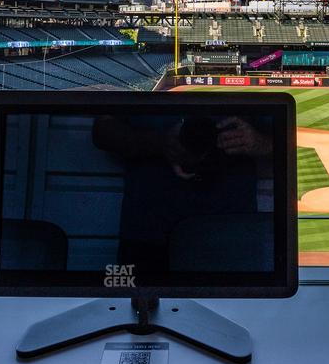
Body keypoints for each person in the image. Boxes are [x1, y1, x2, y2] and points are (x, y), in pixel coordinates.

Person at [93, 114, 271, 275]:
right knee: (129, 304)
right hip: (146, 231)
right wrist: (159, 143)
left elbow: (291, 136)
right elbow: (101, 132)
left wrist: (261, 142)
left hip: (232, 234)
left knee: (238, 308)